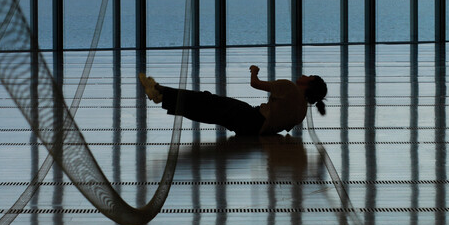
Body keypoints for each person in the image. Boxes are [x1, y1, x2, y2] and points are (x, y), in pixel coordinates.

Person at [139, 66, 328, 136]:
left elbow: (255, 84)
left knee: (207, 101)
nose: (303, 74)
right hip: (254, 127)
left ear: (310, 83)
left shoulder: (290, 88)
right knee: (208, 110)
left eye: (308, 75)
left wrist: (254, 70)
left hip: (251, 117)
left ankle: (161, 92)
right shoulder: (302, 112)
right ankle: (163, 95)